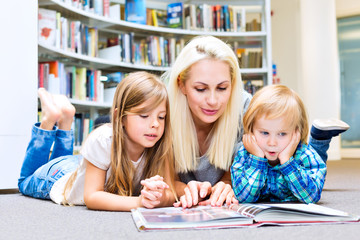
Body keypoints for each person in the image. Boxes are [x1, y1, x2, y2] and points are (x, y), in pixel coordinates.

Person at [164, 35, 349, 208]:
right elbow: (157, 174)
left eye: (222, 88)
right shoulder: (162, 113)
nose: (213, 101)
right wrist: (183, 189)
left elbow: (277, 156)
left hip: (282, 165)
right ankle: (319, 141)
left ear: (233, 83)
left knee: (301, 161)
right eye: (201, 89)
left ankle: (318, 142)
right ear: (182, 84)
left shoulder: (246, 106)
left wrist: (227, 182)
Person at [18, 72, 176, 211]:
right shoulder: (102, 139)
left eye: (161, 117)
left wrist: (159, 198)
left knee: (66, 162)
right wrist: (140, 202)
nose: (156, 124)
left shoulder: (160, 144)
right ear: (119, 117)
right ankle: (48, 121)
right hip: (57, 177)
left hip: (82, 166)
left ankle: (65, 121)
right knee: (25, 182)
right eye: (144, 116)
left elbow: (171, 192)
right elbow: (92, 197)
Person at [230, 85, 348, 203]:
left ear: (296, 133)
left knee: (317, 153)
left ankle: (320, 138)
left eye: (282, 134)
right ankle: (318, 136)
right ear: (250, 130)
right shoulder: (244, 153)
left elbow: (311, 197)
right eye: (265, 133)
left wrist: (287, 162)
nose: (272, 143)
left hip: (302, 159)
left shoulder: (305, 154)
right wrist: (257, 160)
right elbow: (243, 198)